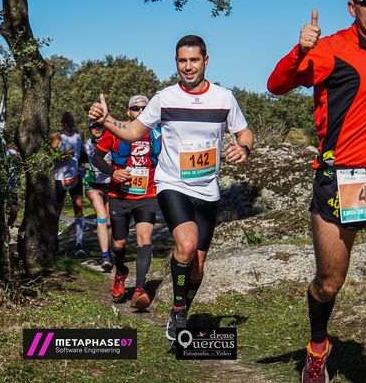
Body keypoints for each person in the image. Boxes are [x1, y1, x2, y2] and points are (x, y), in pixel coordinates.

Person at [267, 0, 366, 383]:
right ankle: (318, 346)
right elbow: (276, 85)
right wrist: (299, 49)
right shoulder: (331, 49)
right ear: (352, 7)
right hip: (338, 180)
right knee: (329, 282)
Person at [89, 35, 253, 342]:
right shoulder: (164, 98)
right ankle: (178, 313)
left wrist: (243, 148)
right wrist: (107, 119)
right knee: (186, 245)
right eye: (182, 61)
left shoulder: (223, 98)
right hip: (171, 183)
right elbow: (133, 131)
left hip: (208, 189)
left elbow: (244, 132)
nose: (187, 67)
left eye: (193, 60)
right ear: (175, 63)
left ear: (206, 61)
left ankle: (183, 307)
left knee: (198, 267)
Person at [91, 95, 162, 311]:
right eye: (136, 108)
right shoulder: (115, 133)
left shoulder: (158, 135)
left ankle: (140, 289)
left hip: (147, 195)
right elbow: (96, 158)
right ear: (128, 112)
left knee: (145, 238)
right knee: (119, 244)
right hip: (120, 197)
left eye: (145, 107)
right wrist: (114, 172)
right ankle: (120, 271)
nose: (141, 111)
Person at [50, 111, 86, 256]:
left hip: (75, 177)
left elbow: (81, 152)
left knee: (79, 209)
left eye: (72, 121)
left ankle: (79, 244)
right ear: (62, 123)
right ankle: (54, 243)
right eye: (67, 122)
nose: (70, 124)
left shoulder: (79, 135)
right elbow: (51, 157)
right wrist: (65, 154)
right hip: (60, 178)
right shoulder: (57, 136)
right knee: (58, 210)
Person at [83, 120, 113, 272]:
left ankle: (111, 251)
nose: (96, 129)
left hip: (110, 184)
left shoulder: (113, 140)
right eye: (93, 126)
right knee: (101, 217)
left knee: (109, 221)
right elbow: (78, 160)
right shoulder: (86, 144)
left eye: (99, 126)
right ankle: (105, 255)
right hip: (93, 185)